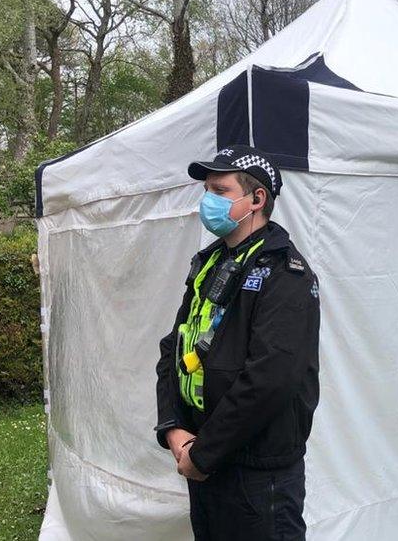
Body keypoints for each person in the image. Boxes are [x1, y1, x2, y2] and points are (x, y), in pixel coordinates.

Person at [154, 144, 321, 541]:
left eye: (220, 190)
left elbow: (270, 379)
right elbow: (174, 348)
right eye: (206, 189)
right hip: (201, 456)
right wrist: (173, 428)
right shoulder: (210, 261)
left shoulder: (287, 274)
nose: (207, 200)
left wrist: (204, 453)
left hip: (256, 473)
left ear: (257, 198)